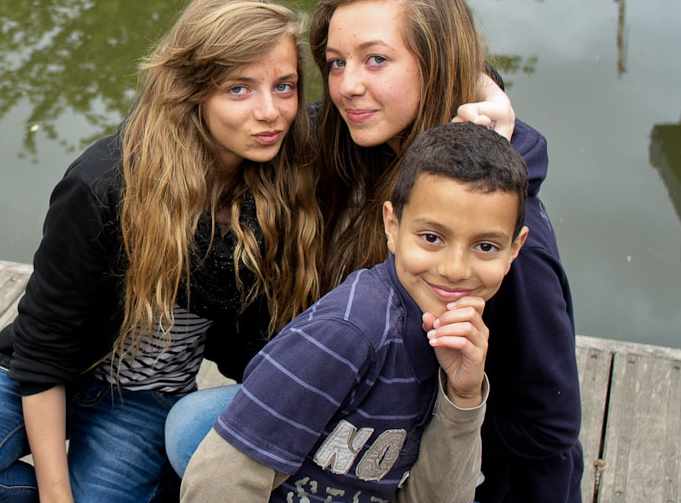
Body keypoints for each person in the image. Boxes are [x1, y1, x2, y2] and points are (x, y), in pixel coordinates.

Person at [0, 0, 327, 503]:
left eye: (285, 86)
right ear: (193, 91)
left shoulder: (292, 166)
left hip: (142, 400)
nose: (271, 112)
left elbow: (384, 118)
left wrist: (458, 122)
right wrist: (57, 497)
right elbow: (44, 350)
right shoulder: (106, 182)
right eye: (239, 89)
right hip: (38, 374)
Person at [312, 0, 583, 503]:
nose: (347, 85)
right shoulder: (371, 155)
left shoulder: (503, 242)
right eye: (336, 63)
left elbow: (548, 425)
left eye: (376, 59)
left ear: (435, 66)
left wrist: (388, 426)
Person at [181, 121, 530, 503]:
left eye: (485, 247)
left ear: (515, 248)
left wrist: (462, 396)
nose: (455, 269)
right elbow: (218, 481)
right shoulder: (347, 332)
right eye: (431, 238)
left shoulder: (457, 330)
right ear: (392, 227)